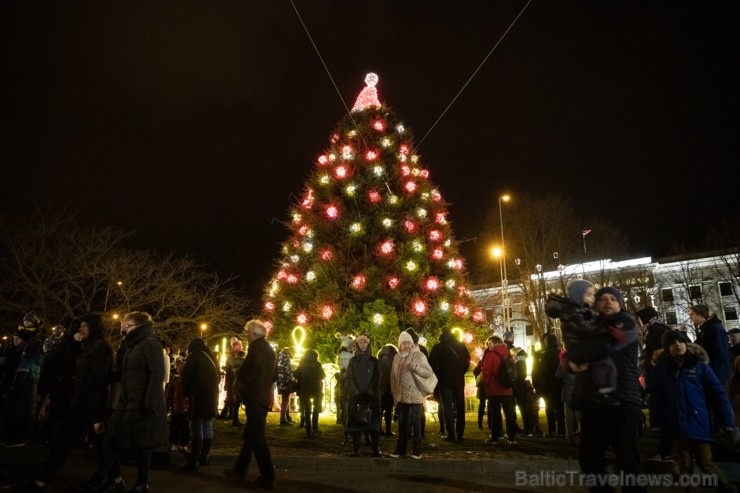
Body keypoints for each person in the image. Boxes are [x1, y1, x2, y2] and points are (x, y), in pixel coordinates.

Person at [78, 311, 168, 493]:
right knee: (118, 441)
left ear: (137, 327)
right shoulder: (131, 346)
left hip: (142, 404)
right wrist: (103, 378)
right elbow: (123, 372)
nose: (122, 329)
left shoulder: (150, 344)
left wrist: (149, 403)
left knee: (138, 443)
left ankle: (138, 483)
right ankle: (121, 482)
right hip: (128, 402)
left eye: (125, 326)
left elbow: (156, 374)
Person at [567, 286, 646, 493]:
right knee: (589, 459)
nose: (608, 302)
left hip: (623, 400)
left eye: (613, 299)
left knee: (628, 462)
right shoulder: (591, 327)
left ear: (620, 304)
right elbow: (570, 350)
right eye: (603, 299)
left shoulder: (626, 323)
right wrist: (569, 362)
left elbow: (603, 347)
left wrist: (574, 357)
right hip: (595, 403)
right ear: (596, 304)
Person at [26, 315, 114, 493]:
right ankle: (44, 479)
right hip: (83, 405)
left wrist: (80, 397)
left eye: (84, 326)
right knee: (68, 442)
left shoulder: (101, 348)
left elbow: (97, 378)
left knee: (99, 443)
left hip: (91, 406)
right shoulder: (89, 346)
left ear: (94, 328)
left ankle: (115, 478)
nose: (81, 329)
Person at [649, 330, 736, 493]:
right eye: (673, 343)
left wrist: (727, 420)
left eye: (681, 341)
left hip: (699, 422)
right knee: (684, 465)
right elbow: (657, 399)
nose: (678, 345)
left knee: (706, 464)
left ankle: (725, 487)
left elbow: (717, 393)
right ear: (667, 347)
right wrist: (657, 424)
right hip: (676, 424)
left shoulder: (699, 365)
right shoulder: (661, 369)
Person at [546, 279, 618, 406]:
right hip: (578, 347)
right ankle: (603, 392)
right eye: (589, 295)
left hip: (579, 349)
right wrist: (603, 328)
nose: (593, 298)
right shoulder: (573, 312)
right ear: (579, 295)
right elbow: (586, 330)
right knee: (604, 364)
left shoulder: (580, 311)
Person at [228, 319, 276, 490]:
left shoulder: (256, 348)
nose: (246, 335)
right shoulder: (268, 349)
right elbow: (274, 373)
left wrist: (242, 381)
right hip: (262, 396)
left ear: (254, 333)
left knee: (257, 437)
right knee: (250, 435)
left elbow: (251, 367)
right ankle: (239, 470)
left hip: (255, 396)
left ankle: (267, 476)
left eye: (247, 332)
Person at [389, 331, 435, 459]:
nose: (406, 346)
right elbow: (393, 376)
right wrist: (394, 391)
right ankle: (401, 449)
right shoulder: (397, 357)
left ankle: (417, 450)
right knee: (402, 423)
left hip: (416, 395)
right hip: (401, 394)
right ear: (399, 345)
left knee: (416, 423)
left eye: (408, 343)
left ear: (412, 344)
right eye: (403, 343)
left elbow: (428, 372)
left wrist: (415, 367)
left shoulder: (419, 356)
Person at [635, 305, 671, 460]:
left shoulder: (654, 331)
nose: (639, 324)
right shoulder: (661, 328)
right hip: (661, 377)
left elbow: (657, 354)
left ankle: (666, 450)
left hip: (661, 378)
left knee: (665, 416)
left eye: (639, 321)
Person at [36, 322, 81, 445]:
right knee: (57, 412)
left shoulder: (80, 347)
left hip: (69, 387)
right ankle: (53, 437)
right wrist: (44, 388)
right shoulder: (62, 348)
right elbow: (48, 368)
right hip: (60, 387)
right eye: (78, 332)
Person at [181, 337, 219, 471]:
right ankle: (204, 456)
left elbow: (187, 376)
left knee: (197, 424)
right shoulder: (211, 358)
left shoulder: (194, 357)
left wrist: (186, 392)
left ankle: (194, 459)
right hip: (212, 395)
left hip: (199, 394)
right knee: (207, 424)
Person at [428, 328, 471, 443]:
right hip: (458, 379)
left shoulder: (438, 347)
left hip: (444, 380)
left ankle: (451, 433)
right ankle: (460, 433)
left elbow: (431, 363)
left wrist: (438, 374)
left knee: (447, 407)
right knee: (460, 406)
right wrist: (462, 371)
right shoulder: (461, 346)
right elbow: (468, 360)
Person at [345, 335, 382, 457]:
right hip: (356, 398)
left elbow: (377, 378)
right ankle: (356, 449)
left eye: (364, 342)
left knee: (374, 423)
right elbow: (349, 378)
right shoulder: (353, 361)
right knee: (356, 424)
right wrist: (355, 393)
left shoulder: (374, 361)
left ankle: (376, 449)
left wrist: (370, 393)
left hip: (372, 398)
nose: (362, 344)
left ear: (368, 344)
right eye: (360, 342)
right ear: (357, 344)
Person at [1, 338, 43, 447]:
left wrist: (8, 396)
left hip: (21, 396)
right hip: (30, 396)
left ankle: (12, 439)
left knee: (16, 417)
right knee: (24, 417)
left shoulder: (26, 362)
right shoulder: (38, 363)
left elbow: (19, 381)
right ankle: (20, 438)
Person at [481, 335, 518, 445]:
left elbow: (486, 373)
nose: (488, 346)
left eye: (489, 343)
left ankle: (496, 437)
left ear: (493, 342)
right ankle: (512, 437)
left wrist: (486, 386)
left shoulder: (490, 355)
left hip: (494, 389)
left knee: (495, 414)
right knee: (510, 413)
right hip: (507, 389)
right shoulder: (508, 354)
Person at [532, 333, 565, 438]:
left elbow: (538, 371)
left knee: (549, 408)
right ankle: (562, 430)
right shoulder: (560, 353)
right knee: (560, 408)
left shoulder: (543, 355)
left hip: (548, 386)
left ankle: (552, 430)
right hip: (559, 385)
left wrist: (537, 385)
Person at [690, 304, 732, 386]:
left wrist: (713, 374)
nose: (691, 317)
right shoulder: (705, 330)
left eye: (692, 314)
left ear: (700, 314)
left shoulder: (715, 329)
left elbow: (721, 354)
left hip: (717, 374)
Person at [293, 348, 326, 438]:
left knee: (307, 410)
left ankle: (308, 430)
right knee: (315, 409)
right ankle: (315, 427)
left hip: (305, 389)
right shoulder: (318, 364)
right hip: (316, 388)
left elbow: (296, 374)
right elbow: (322, 375)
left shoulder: (302, 364)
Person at [166, 356, 190, 453]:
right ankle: (178, 443)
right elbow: (170, 393)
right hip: (181, 406)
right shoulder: (177, 381)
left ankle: (177, 443)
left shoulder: (178, 381)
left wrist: (168, 404)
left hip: (180, 406)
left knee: (180, 426)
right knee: (177, 426)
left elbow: (169, 393)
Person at [335, 334, 355, 445]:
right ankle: (349, 435)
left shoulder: (341, 355)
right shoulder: (349, 356)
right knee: (349, 413)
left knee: (346, 412)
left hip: (345, 387)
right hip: (349, 387)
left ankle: (347, 435)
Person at [377, 343, 398, 436]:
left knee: (379, 411)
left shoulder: (378, 362)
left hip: (379, 390)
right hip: (389, 389)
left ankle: (379, 428)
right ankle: (388, 430)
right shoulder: (393, 362)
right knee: (389, 411)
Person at [275, 348, 295, 425]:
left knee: (285, 399)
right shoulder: (286, 358)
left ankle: (287, 417)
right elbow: (288, 370)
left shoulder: (279, 357)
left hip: (280, 380)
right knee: (285, 400)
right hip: (285, 380)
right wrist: (292, 374)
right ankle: (283, 419)